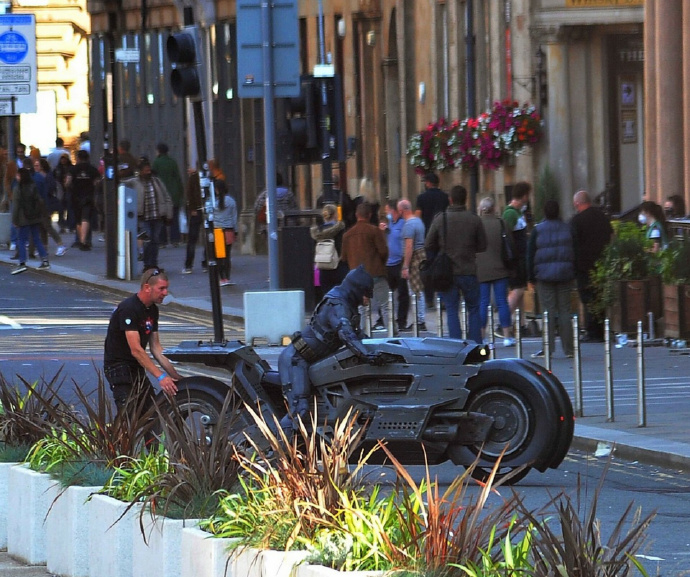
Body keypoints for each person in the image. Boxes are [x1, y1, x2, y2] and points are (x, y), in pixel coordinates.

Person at [278, 265, 385, 435]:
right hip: (297, 360)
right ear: (356, 290)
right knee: (300, 410)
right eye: (366, 294)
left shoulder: (346, 303)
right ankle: (277, 451)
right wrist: (367, 356)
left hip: (314, 361)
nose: (367, 300)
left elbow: (359, 336)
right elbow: (347, 335)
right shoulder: (337, 305)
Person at [103, 268, 182, 418]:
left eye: (166, 288)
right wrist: (160, 377)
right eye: (161, 288)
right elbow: (136, 350)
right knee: (128, 416)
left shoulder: (152, 310)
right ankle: (115, 442)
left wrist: (174, 375)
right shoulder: (128, 309)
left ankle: (150, 442)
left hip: (136, 366)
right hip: (118, 367)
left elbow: (156, 348)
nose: (165, 293)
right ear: (147, 287)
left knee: (152, 415)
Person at [425, 185, 487, 343]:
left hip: (448, 272)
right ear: (465, 199)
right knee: (473, 309)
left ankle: (456, 345)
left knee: (452, 310)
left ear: (450, 199)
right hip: (468, 270)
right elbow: (483, 245)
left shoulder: (441, 218)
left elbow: (428, 243)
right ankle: (475, 345)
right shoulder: (474, 219)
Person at [527, 199, 575, 359]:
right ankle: (569, 349)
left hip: (544, 276)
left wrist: (531, 277)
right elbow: (574, 251)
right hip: (564, 274)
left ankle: (548, 348)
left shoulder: (538, 230)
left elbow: (530, 254)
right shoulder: (567, 228)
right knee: (565, 311)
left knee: (548, 312)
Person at [571, 190, 613, 342]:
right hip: (601, 263)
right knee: (600, 296)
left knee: (587, 298)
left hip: (583, 265)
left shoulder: (576, 221)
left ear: (577, 204)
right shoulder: (602, 217)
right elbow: (611, 237)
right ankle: (601, 328)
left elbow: (573, 244)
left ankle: (592, 330)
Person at [341, 202, 390, 329]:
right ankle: (392, 333)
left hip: (357, 277)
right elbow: (383, 251)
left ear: (357, 215)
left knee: (361, 309)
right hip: (375, 273)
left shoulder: (347, 235)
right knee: (385, 305)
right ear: (369, 215)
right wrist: (381, 264)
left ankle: (363, 334)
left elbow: (344, 257)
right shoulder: (374, 231)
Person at [477, 196, 514, 347]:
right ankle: (506, 336)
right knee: (502, 302)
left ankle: (482, 336)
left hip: (481, 269)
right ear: (494, 208)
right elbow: (510, 244)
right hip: (500, 268)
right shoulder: (501, 223)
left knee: (483, 303)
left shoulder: (477, 224)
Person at [129, 157, 173, 271]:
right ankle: (147, 264)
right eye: (145, 170)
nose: (148, 172)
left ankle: (153, 264)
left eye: (149, 169)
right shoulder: (134, 182)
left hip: (157, 216)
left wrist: (168, 213)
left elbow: (166, 196)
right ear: (140, 171)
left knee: (155, 241)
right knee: (147, 240)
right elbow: (122, 186)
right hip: (143, 217)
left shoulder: (156, 181)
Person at [415, 172, 449, 310]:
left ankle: (429, 298)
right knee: (442, 267)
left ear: (428, 183)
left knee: (428, 267)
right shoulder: (445, 197)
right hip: (443, 236)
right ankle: (442, 297)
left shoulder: (422, 198)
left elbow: (418, 217)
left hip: (427, 236)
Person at [10, 167, 50, 274]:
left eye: (18, 175)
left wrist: (14, 220)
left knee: (22, 240)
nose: (16, 177)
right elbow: (39, 201)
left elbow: (16, 206)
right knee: (36, 238)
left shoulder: (17, 188)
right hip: (35, 217)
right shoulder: (33, 186)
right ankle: (45, 260)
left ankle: (22, 263)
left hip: (23, 218)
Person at [502, 181, 531, 318]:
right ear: (524, 196)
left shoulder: (518, 212)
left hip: (520, 257)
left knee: (520, 289)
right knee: (518, 289)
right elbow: (506, 236)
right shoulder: (510, 214)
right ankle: (504, 320)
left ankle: (521, 323)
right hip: (516, 258)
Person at [380, 200, 409, 332]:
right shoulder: (386, 222)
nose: (387, 213)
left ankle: (401, 321)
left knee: (402, 293)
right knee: (385, 294)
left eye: (389, 210)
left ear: (395, 211)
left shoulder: (403, 223)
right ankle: (383, 319)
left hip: (399, 262)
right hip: (387, 263)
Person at [399, 199, 427, 331]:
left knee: (415, 290)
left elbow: (409, 247)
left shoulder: (408, 225)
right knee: (419, 289)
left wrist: (405, 266)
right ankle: (420, 319)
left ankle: (419, 320)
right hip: (421, 257)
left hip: (414, 259)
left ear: (402, 210)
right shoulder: (418, 221)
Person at [311, 203, 347, 299]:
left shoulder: (317, 232)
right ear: (335, 215)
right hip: (339, 266)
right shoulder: (340, 230)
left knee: (327, 297)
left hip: (323, 267)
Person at [67, 149, 101, 251]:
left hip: (76, 196)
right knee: (86, 218)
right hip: (89, 196)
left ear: (78, 158)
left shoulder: (73, 169)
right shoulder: (93, 169)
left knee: (78, 220)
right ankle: (85, 240)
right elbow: (97, 183)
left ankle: (81, 240)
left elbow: (68, 182)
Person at [152, 143, 184, 247]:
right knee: (174, 217)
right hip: (173, 193)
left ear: (158, 151)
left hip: (161, 194)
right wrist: (181, 193)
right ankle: (175, 239)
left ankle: (162, 241)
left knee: (161, 218)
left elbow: (153, 178)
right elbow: (178, 178)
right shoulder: (172, 162)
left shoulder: (156, 163)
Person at [211, 162, 237, 286]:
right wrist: (235, 230)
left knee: (220, 256)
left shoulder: (214, 204)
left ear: (216, 190)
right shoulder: (231, 201)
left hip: (218, 230)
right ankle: (228, 277)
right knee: (227, 256)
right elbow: (234, 217)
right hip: (229, 230)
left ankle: (222, 278)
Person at [35, 158, 66, 256]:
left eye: (37, 165)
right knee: (42, 226)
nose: (35, 167)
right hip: (40, 204)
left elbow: (49, 190)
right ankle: (45, 247)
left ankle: (60, 244)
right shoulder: (38, 176)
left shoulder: (48, 176)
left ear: (42, 166)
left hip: (46, 204)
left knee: (47, 226)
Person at [182, 169, 203, 274]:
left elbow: (189, 193)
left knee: (193, 239)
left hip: (199, 210)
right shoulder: (197, 177)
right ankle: (190, 264)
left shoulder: (194, 178)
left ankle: (189, 265)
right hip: (201, 209)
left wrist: (192, 208)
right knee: (193, 239)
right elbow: (190, 194)